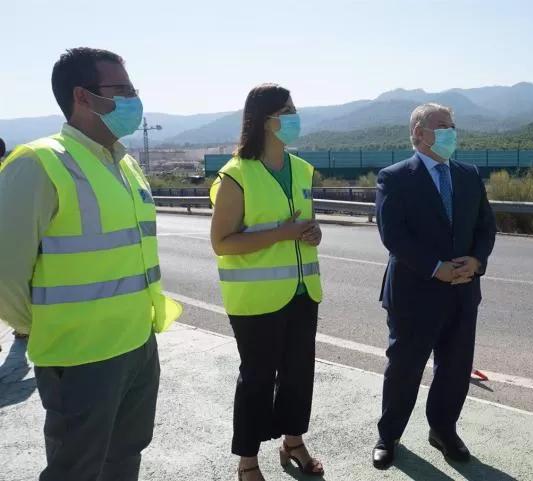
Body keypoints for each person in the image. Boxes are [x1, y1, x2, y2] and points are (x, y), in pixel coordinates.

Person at [0, 47, 182, 481]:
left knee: (125, 457)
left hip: (138, 345)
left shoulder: (125, 164)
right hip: (80, 357)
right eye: (122, 90)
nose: (134, 100)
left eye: (133, 90)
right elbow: (4, 274)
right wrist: (43, 325)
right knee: (75, 470)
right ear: (82, 96)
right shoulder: (40, 162)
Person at [371, 103, 497, 469]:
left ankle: (443, 430)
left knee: (455, 369)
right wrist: (435, 268)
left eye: (452, 126)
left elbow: (485, 227)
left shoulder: (469, 175)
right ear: (419, 133)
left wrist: (477, 261)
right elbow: (393, 235)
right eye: (442, 126)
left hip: (463, 292)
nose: (450, 132)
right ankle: (389, 435)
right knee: (404, 369)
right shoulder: (395, 177)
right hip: (414, 294)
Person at [209, 84, 324, 480]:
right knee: (257, 379)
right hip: (255, 300)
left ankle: (293, 442)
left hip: (303, 291)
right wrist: (283, 234)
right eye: (286, 111)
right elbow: (222, 243)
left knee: (298, 375)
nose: (294, 118)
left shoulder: (302, 169)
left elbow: (304, 223)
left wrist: (313, 233)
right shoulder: (236, 175)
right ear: (264, 120)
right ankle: (247, 461)